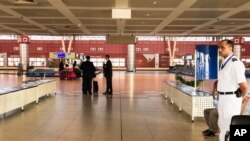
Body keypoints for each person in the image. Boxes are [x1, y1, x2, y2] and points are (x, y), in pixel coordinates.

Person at [217, 39, 248, 141]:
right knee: (222, 126)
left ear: (230, 48)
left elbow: (244, 86)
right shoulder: (224, 62)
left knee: (230, 126)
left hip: (231, 99)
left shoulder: (235, 63)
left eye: (222, 47)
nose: (220, 50)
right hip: (222, 98)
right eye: (219, 47)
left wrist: (241, 98)